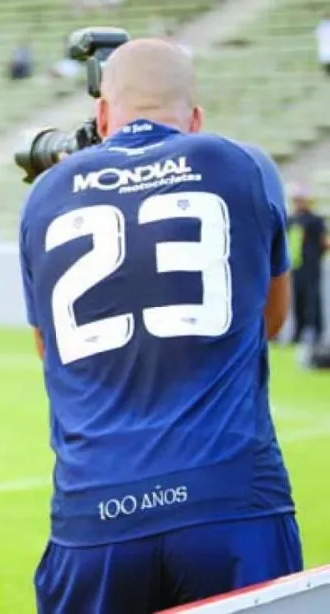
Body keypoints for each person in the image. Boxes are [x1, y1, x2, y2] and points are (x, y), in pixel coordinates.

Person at [18, 39, 299, 613]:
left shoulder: (45, 195)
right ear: (195, 118)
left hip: (94, 511)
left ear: (102, 114)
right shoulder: (243, 165)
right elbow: (271, 319)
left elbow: (51, 351)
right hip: (229, 500)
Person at [287, 182, 326, 344]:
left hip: (311, 265)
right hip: (296, 265)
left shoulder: (315, 220)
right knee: (298, 299)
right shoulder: (291, 220)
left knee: (313, 299)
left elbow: (324, 241)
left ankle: (317, 332)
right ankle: (298, 331)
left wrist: (316, 256)